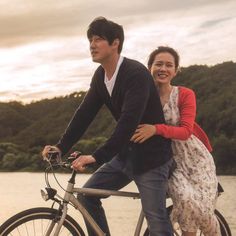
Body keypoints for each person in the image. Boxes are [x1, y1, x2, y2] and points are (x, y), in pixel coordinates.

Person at [42, 17, 174, 236]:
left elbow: (128, 123)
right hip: (125, 155)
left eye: (99, 39)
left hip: (152, 158)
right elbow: (84, 114)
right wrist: (60, 147)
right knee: (87, 196)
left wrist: (96, 156)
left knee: (157, 222)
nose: (92, 45)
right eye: (90, 40)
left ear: (115, 43)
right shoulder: (101, 76)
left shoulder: (136, 74)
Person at [131, 46, 220, 236]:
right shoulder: (144, 96)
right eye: (158, 64)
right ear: (149, 67)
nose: (163, 68)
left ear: (175, 70)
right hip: (167, 160)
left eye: (169, 65)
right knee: (185, 198)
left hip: (194, 157)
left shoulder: (185, 94)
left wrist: (156, 129)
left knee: (202, 208)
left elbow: (186, 131)